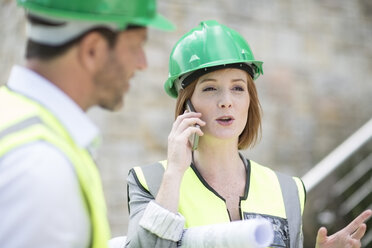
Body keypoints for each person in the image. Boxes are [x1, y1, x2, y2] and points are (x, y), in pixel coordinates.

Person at [125, 20, 372, 248]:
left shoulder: (288, 190)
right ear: (186, 105)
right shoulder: (151, 181)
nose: (226, 101)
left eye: (237, 88)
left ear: (250, 100)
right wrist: (174, 173)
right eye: (210, 88)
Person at [0, 0, 174, 247]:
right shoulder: (41, 169)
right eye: (137, 45)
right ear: (93, 50)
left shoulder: (11, 115)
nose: (142, 63)